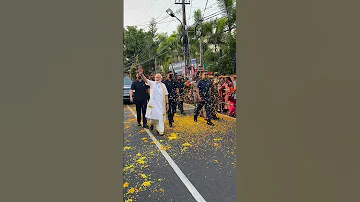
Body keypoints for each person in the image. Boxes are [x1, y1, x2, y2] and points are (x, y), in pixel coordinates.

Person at [138, 69, 169, 136]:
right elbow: (146, 80)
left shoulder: (163, 86)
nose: (157, 78)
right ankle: (152, 124)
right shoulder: (152, 83)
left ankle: (161, 131)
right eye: (156, 77)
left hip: (161, 105)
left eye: (158, 77)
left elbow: (166, 95)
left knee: (160, 117)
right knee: (153, 117)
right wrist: (142, 75)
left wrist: (167, 104)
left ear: (161, 78)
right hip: (153, 104)